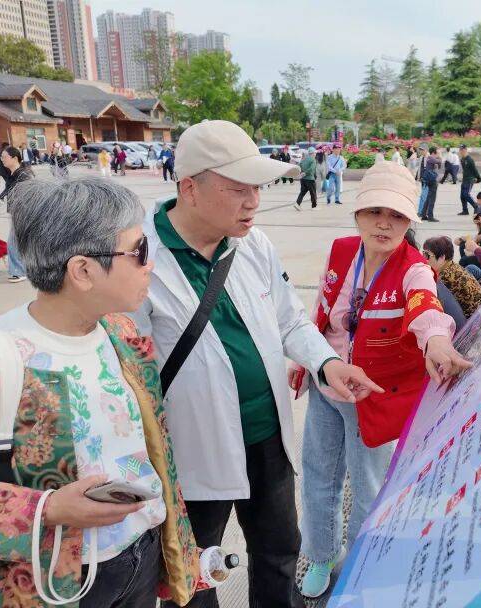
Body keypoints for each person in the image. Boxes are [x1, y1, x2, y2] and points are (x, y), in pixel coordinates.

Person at [0, 177, 210, 608]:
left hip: (141, 556)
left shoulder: (121, 333)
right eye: (139, 251)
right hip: (48, 583)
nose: (151, 265)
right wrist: (46, 509)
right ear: (83, 271)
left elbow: (153, 451)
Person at [133, 120, 380, 608]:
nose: (253, 202)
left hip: (266, 436)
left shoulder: (253, 244)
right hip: (193, 448)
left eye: (257, 188)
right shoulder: (140, 257)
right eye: (238, 189)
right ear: (190, 188)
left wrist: (327, 363)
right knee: (194, 569)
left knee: (279, 549)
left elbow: (290, 320)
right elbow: (131, 370)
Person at [297, 162, 472, 598]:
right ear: (357, 213)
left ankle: (361, 564)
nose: (384, 223)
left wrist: (436, 341)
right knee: (318, 476)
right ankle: (321, 555)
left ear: (409, 221)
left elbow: (426, 307)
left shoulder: (414, 268)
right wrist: (307, 359)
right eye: (374, 211)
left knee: (369, 487)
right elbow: (323, 308)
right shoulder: (341, 250)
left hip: (373, 396)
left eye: (396, 215)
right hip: (327, 385)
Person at [422, 235, 481, 318]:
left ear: (442, 257)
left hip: (471, 323)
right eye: (423, 253)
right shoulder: (453, 267)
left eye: (427, 255)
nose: (423, 258)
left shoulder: (445, 279)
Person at [0, 145, 35, 283]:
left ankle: (19, 271)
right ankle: (26, 269)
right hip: (17, 211)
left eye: (4, 157)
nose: (2, 159)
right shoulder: (14, 174)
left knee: (13, 243)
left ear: (14, 158)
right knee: (21, 242)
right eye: (1, 157)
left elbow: (29, 195)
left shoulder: (23, 174)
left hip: (23, 212)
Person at [458, 145, 481, 216]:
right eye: (460, 150)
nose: (461, 151)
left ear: (465, 150)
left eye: (462, 150)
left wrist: (478, 178)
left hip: (470, 179)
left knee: (466, 194)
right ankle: (465, 210)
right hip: (464, 179)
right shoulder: (462, 159)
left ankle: (476, 206)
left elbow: (474, 169)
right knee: (462, 196)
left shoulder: (470, 159)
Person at [420, 146, 441, 222]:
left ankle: (423, 215)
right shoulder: (431, 158)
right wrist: (439, 156)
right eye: (437, 152)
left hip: (429, 180)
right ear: (434, 152)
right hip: (432, 181)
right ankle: (430, 216)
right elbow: (439, 162)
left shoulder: (429, 158)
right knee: (432, 199)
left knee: (428, 198)